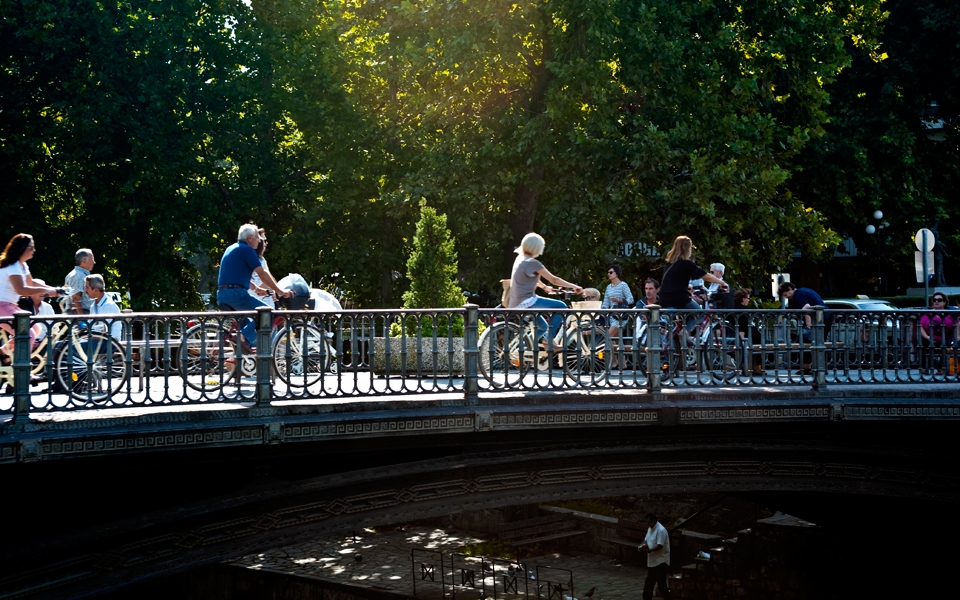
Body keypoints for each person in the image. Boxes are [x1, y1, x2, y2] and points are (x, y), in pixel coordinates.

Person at [217, 224, 292, 352]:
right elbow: (262, 273)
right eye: (258, 238)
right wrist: (280, 291)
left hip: (223, 295)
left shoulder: (232, 248)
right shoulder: (247, 250)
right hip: (236, 295)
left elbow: (236, 276)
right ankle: (241, 340)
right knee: (267, 315)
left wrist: (257, 290)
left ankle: (243, 362)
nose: (260, 241)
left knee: (247, 325)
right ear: (250, 238)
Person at [508, 232, 583, 350]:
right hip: (527, 301)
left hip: (515, 302)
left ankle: (518, 351)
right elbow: (554, 279)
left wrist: (544, 287)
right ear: (537, 247)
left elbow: (530, 277)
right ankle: (549, 340)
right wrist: (574, 286)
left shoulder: (520, 259)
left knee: (542, 327)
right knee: (561, 306)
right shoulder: (533, 263)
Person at [1, 234, 62, 368]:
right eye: (31, 247)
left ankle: (3, 352)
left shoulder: (22, 266)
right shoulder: (14, 266)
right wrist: (46, 291)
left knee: (36, 327)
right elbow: (22, 290)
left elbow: (31, 282)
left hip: (10, 305)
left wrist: (55, 290)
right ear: (22, 249)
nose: (33, 250)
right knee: (28, 334)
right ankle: (22, 372)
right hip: (2, 306)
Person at [660, 236, 727, 332]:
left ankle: (677, 340)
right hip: (679, 298)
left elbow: (672, 280)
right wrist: (722, 282)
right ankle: (684, 334)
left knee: (675, 322)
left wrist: (688, 286)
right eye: (691, 248)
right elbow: (705, 275)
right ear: (687, 248)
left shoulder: (670, 264)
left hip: (664, 298)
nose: (691, 250)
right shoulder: (686, 263)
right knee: (700, 314)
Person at [602, 265, 633, 369]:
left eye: (611, 272)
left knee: (608, 336)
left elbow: (631, 299)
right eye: (608, 272)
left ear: (617, 273)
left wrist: (619, 300)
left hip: (621, 315)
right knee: (617, 340)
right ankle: (623, 364)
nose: (609, 274)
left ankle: (614, 362)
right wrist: (602, 312)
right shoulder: (608, 287)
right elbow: (605, 302)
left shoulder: (623, 285)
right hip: (612, 315)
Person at [920, 293, 957, 375]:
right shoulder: (927, 314)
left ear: (944, 302)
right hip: (931, 338)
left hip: (947, 338)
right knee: (923, 343)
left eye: (939, 300)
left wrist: (957, 336)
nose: (936, 301)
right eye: (934, 300)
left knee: (948, 344)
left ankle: (941, 367)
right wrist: (927, 337)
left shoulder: (950, 314)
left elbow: (957, 324)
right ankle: (923, 367)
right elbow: (921, 326)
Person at [639, 512, 672, 600]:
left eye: (649, 522)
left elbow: (660, 545)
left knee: (660, 584)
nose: (648, 524)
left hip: (660, 561)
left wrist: (650, 550)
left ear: (654, 520)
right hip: (653, 560)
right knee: (650, 583)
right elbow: (646, 540)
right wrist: (641, 546)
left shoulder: (661, 530)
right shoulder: (650, 528)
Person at [84, 274, 124, 341]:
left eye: (87, 287)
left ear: (96, 290)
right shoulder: (93, 305)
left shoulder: (108, 306)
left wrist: (86, 336)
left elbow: (103, 333)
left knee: (71, 348)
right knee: (64, 345)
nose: (85, 290)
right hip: (96, 341)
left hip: (108, 343)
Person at [18, 278, 56, 343]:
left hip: (46, 343)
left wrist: (44, 342)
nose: (43, 292)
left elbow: (55, 331)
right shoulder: (21, 306)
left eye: (43, 290)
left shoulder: (48, 307)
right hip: (25, 342)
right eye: (39, 290)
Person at [248, 229, 276, 309]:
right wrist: (273, 289)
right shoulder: (252, 259)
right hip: (257, 304)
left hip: (266, 303)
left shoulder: (262, 259)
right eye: (264, 240)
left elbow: (269, 277)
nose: (266, 243)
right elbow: (259, 282)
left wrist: (274, 290)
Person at [64, 248, 96, 314]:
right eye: (92, 259)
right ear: (84, 261)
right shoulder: (79, 276)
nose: (94, 262)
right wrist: (81, 319)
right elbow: (76, 298)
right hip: (81, 314)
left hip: (77, 314)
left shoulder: (74, 274)